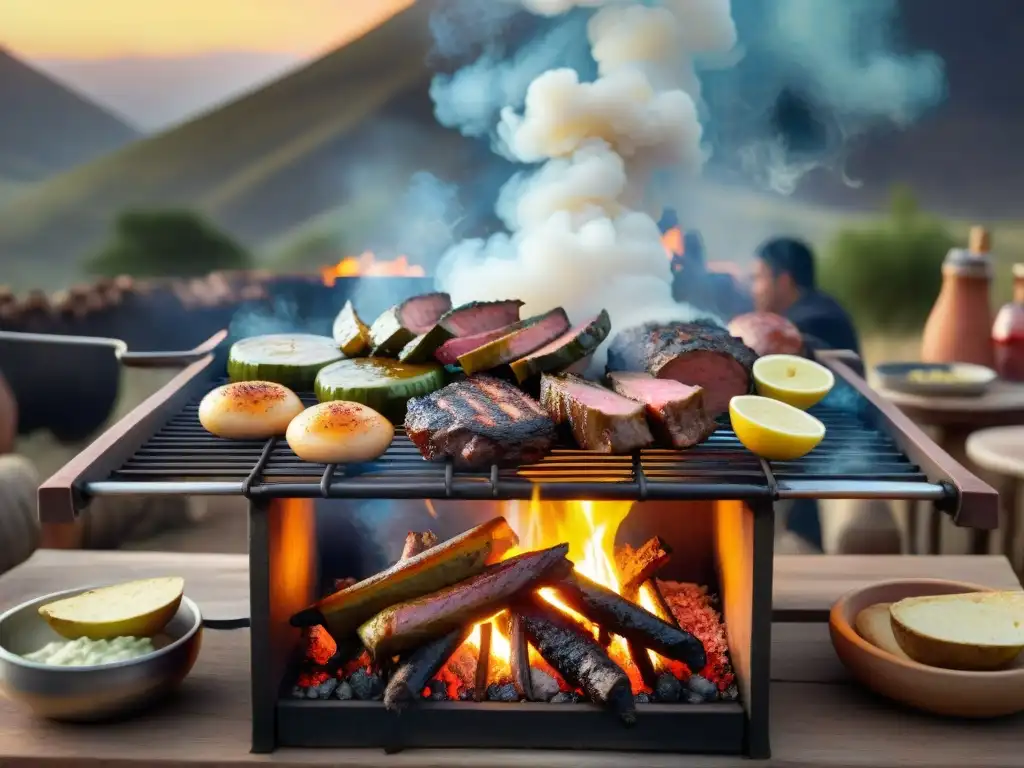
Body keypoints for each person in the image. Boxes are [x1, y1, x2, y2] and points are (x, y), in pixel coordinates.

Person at [750, 238, 900, 555]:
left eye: (760, 277)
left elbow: (804, 349)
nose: (755, 288)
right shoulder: (817, 307)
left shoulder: (816, 319)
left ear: (784, 280)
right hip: (818, 450)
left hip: (836, 453)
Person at [751, 237, 860, 355]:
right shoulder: (821, 308)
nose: (753, 290)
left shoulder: (809, 325)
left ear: (784, 281)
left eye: (758, 278)